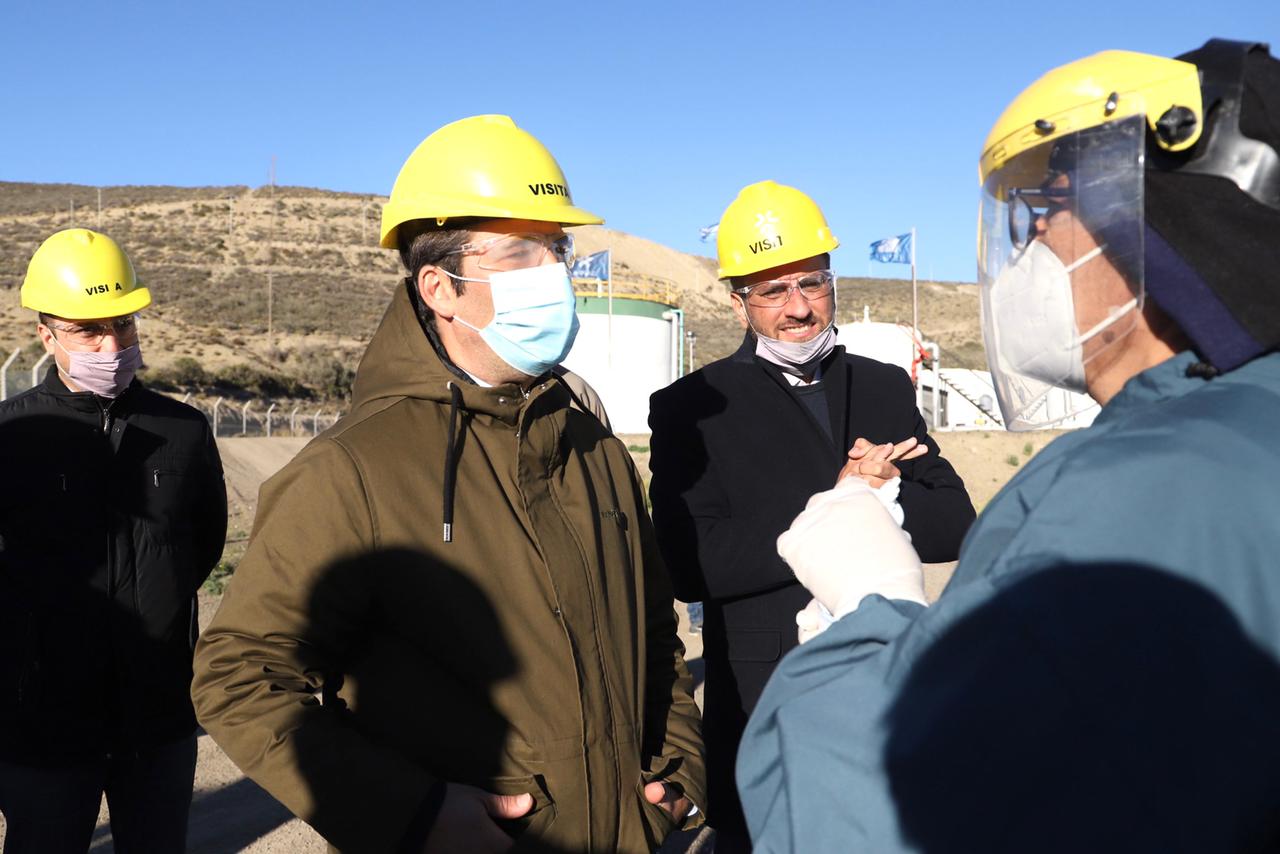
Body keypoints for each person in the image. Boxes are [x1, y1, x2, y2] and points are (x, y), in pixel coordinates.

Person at [737, 39, 1280, 852]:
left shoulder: (1146, 488)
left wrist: (867, 609)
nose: (1027, 249)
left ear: (1151, 226)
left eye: (1047, 211)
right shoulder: (1240, 422)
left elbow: (875, 808)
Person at [191, 114, 706, 854]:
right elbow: (241, 676)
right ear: (441, 286)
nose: (556, 275)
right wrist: (411, 814)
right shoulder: (354, 470)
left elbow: (657, 633)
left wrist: (681, 776)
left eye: (557, 250)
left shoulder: (595, 451)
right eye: (522, 254)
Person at [647, 180, 974, 849]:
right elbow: (689, 562)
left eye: (811, 284)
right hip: (766, 695)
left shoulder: (883, 385)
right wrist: (842, 503)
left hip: (890, 681)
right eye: (773, 291)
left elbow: (954, 523)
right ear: (740, 303)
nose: (798, 308)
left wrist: (882, 493)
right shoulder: (693, 407)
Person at [0, 229, 227, 853]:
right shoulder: (9, 437)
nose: (112, 345)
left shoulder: (182, 429)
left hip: (156, 719)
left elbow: (202, 545)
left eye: (122, 325)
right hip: (40, 724)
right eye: (87, 331)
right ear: (46, 335)